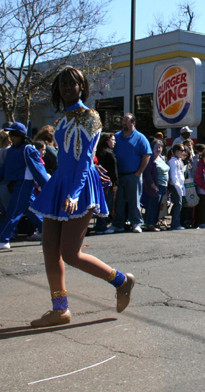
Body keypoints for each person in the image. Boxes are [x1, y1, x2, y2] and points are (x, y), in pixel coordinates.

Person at [27, 66, 134, 328]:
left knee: (71, 253)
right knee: (50, 250)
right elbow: (63, 160)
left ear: (82, 87)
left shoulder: (90, 117)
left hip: (81, 186)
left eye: (72, 83)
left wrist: (74, 193)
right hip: (60, 184)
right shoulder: (61, 121)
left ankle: (121, 281)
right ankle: (60, 309)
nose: (67, 87)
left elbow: (86, 160)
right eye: (62, 83)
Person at [0, 123, 49, 249]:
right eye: (11, 134)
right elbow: (4, 168)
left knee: (13, 212)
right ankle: (50, 233)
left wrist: (47, 186)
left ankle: (3, 239)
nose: (11, 137)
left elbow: (38, 170)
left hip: (24, 184)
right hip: (16, 184)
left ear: (21, 135)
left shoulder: (28, 149)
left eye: (14, 134)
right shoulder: (12, 150)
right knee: (31, 211)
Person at [110, 113, 152, 233]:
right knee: (118, 201)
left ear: (133, 123)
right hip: (119, 176)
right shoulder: (116, 137)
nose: (124, 123)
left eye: (126, 121)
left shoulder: (140, 138)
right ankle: (118, 224)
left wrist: (139, 172)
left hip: (133, 175)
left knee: (134, 201)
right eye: (123, 120)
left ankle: (136, 223)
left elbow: (147, 155)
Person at [141, 139, 168, 232]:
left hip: (163, 185)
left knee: (158, 206)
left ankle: (154, 223)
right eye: (156, 147)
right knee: (152, 205)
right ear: (152, 148)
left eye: (160, 147)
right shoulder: (150, 158)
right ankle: (149, 224)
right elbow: (147, 173)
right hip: (154, 185)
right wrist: (152, 185)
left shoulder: (162, 158)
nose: (158, 149)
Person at [95, 133, 120, 233]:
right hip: (108, 183)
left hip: (99, 182)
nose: (114, 142)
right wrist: (115, 184)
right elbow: (113, 171)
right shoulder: (109, 154)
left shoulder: (98, 153)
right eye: (112, 140)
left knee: (100, 204)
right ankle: (102, 226)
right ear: (106, 141)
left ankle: (100, 224)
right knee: (106, 204)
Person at [167, 144, 187, 230]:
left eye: (183, 150)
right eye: (181, 150)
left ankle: (176, 222)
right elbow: (174, 175)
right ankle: (175, 223)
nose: (183, 152)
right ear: (176, 151)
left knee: (179, 204)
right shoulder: (173, 161)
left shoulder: (180, 161)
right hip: (175, 185)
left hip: (180, 185)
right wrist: (178, 187)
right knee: (177, 204)